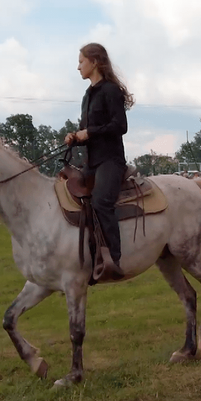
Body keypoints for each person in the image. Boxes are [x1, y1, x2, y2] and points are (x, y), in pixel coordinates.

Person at [64, 42, 132, 279]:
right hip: (91, 162)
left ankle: (113, 259)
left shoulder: (110, 90)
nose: (78, 66)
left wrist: (90, 132)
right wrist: (76, 137)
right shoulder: (88, 95)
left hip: (110, 161)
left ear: (94, 62)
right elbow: (88, 130)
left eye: (81, 61)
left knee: (101, 202)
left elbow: (120, 126)